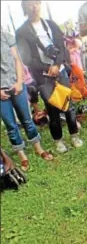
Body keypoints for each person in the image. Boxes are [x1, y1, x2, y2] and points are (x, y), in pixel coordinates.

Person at [16, 0, 83, 153]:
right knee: (52, 108)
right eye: (30, 4)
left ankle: (74, 135)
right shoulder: (21, 31)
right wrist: (47, 68)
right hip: (43, 76)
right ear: (25, 8)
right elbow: (27, 58)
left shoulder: (51, 24)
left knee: (68, 104)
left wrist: (57, 64)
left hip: (59, 70)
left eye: (37, 3)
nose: (34, 7)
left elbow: (62, 47)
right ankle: (58, 140)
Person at [1, 31, 53, 171]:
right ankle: (22, 156)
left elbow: (17, 60)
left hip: (17, 85)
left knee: (27, 119)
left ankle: (39, 149)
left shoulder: (6, 37)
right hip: (0, 91)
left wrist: (19, 82)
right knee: (11, 125)